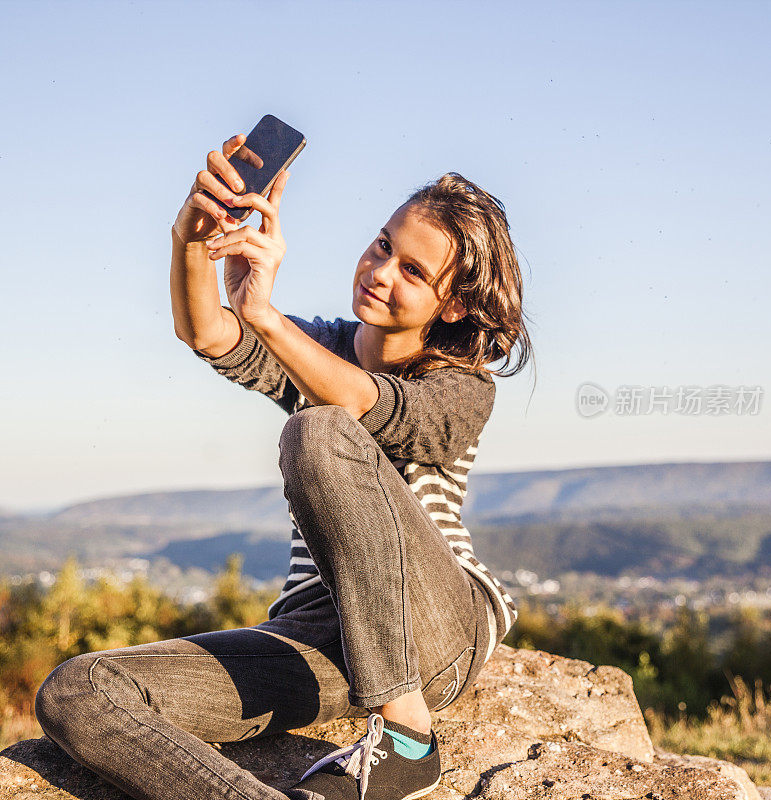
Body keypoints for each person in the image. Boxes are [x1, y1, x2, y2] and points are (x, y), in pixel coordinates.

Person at [35, 132, 533, 800]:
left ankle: (407, 740)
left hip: (436, 632)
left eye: (413, 271)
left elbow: (367, 403)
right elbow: (207, 332)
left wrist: (264, 315)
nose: (381, 270)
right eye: (384, 245)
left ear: (454, 306)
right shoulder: (318, 345)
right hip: (317, 638)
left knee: (319, 430)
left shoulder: (463, 388)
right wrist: (192, 236)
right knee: (79, 690)